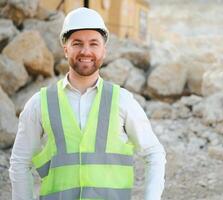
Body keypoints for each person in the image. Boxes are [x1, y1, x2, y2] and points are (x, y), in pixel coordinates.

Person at [9, 7, 166, 200]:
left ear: (104, 50)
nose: (86, 51)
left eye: (94, 44)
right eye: (77, 43)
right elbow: (20, 163)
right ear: (65, 49)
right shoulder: (40, 103)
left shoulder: (123, 101)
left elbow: (154, 153)